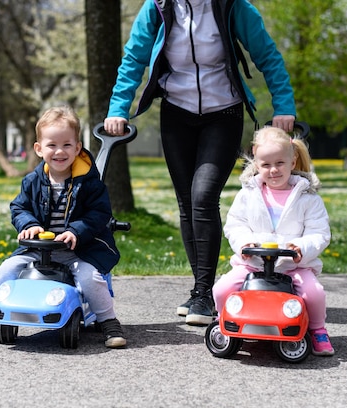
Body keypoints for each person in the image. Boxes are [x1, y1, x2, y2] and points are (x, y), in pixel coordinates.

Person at [104, 0, 296, 326]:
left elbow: (268, 56)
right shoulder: (158, 7)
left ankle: (204, 292)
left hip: (224, 113)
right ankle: (201, 292)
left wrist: (284, 104)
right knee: (186, 203)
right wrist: (118, 108)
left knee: (203, 197)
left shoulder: (234, 7)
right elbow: (134, 58)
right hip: (176, 112)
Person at [0, 106, 126, 348]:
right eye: (52, 145)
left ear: (78, 148)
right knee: (6, 270)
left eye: (67, 145)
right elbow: (19, 208)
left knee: (90, 279)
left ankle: (108, 321)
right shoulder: (32, 181)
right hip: (38, 249)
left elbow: (99, 214)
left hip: (78, 249)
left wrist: (77, 230)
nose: (59, 151)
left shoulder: (90, 183)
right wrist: (29, 224)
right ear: (38, 149)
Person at [212, 126, 334, 356]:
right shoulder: (248, 194)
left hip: (293, 265)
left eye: (280, 163)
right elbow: (235, 224)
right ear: (257, 164)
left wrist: (301, 248)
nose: (273, 170)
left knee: (314, 293)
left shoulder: (308, 197)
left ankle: (318, 330)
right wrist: (244, 245)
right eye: (266, 165)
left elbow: (320, 232)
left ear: (293, 160)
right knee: (222, 289)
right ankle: (225, 324)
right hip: (253, 264)